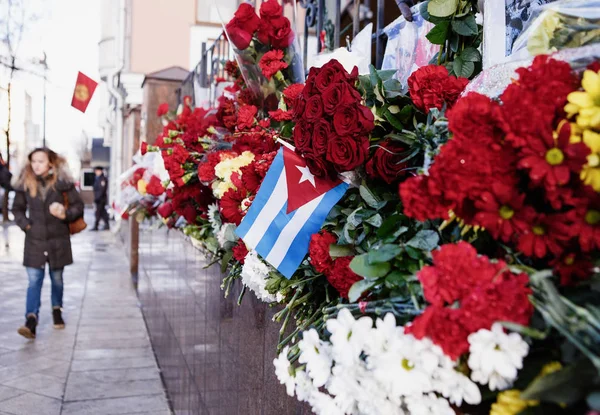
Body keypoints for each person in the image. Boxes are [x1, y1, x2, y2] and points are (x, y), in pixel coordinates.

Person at [11, 147, 84, 339]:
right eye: (33, 161)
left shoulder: (63, 183)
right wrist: (26, 226)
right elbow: (17, 209)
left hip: (57, 240)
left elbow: (78, 206)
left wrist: (65, 214)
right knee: (34, 280)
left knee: (57, 278)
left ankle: (56, 309)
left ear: (50, 163)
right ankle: (31, 319)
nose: (36, 165)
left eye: (41, 161)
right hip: (34, 240)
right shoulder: (25, 183)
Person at [92, 166, 109, 231]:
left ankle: (96, 226)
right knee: (102, 212)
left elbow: (102, 190)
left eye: (97, 171)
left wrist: (97, 198)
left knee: (98, 212)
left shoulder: (102, 179)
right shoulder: (97, 178)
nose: (96, 172)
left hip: (101, 199)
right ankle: (106, 224)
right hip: (98, 199)